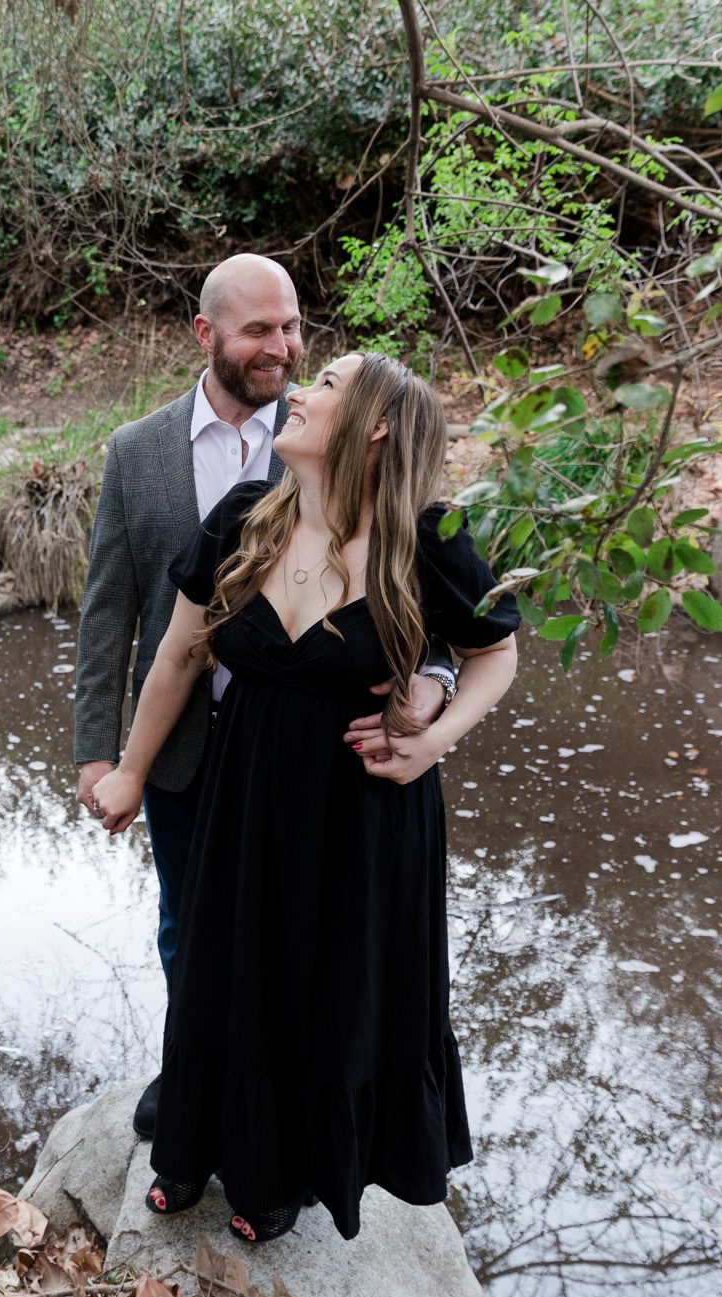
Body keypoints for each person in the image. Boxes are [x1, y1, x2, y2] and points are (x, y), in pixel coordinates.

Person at [88, 350, 520, 1245]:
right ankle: (197, 1148)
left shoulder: (426, 539)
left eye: (324, 384)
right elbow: (176, 653)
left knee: (326, 983)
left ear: (372, 424)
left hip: (362, 816)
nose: (300, 392)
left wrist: (431, 740)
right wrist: (129, 769)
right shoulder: (245, 517)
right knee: (230, 964)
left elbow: (496, 652)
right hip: (245, 799)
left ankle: (280, 1175)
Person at [70, 254, 459, 1142]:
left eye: (291, 328)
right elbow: (111, 614)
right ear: (207, 336)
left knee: (302, 939)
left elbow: (426, 604)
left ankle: (284, 1109)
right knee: (191, 929)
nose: (281, 348)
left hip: (311, 754)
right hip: (181, 750)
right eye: (258, 331)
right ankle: (197, 1076)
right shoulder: (138, 453)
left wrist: (430, 695)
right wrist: (103, 753)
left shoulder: (340, 431)